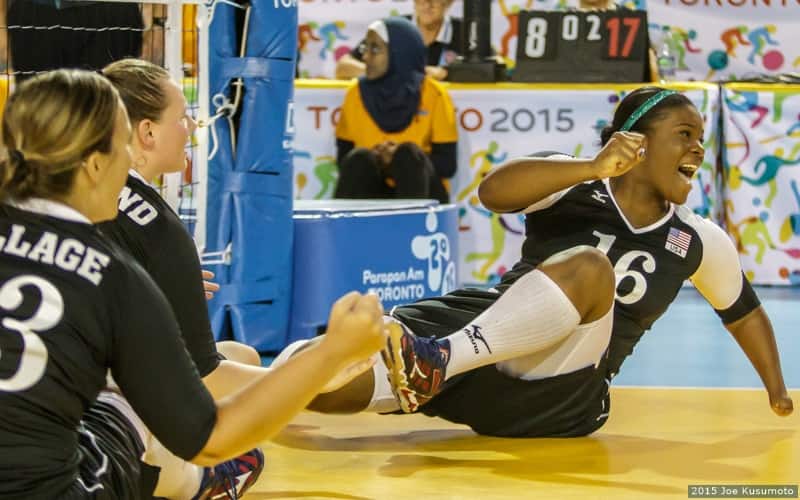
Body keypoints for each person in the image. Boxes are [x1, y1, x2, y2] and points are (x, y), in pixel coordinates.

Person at [277, 86, 793, 438]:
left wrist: (777, 390)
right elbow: (493, 192)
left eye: (701, 138)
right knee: (323, 374)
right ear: (636, 140)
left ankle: (435, 360)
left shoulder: (698, 238)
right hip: (490, 360)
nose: (699, 148)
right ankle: (240, 382)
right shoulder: (573, 179)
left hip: (564, 394)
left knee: (593, 269)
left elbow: (744, 313)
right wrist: (591, 166)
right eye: (685, 133)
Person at [0, 69, 386, 499]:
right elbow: (209, 436)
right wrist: (329, 356)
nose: (127, 163)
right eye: (120, 147)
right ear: (94, 164)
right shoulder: (119, 274)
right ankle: (200, 484)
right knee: (129, 405)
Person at [98, 58, 264, 497]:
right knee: (246, 447)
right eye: (182, 116)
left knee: (243, 355)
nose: (191, 127)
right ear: (147, 132)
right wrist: (317, 374)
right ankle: (179, 483)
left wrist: (158, 295)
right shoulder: (160, 229)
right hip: (99, 420)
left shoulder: (74, 183)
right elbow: (203, 375)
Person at [333, 17, 458, 204]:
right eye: (365, 48)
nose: (366, 57)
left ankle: (414, 231)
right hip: (372, 190)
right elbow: (344, 160)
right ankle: (346, 232)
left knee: (408, 156)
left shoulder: (433, 94)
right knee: (360, 159)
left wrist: (396, 159)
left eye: (375, 49)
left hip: (421, 191)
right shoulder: (355, 93)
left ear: (400, 53)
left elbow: (447, 165)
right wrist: (378, 158)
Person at [6, 0, 143, 83]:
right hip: (37, 12)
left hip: (112, 11)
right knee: (39, 110)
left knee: (107, 107)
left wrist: (158, 20)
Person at [335, 0, 460, 81]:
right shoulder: (391, 28)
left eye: (435, 0)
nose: (427, 5)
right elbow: (343, 66)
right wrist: (385, 73)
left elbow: (478, 73)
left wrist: (446, 73)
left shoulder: (465, 32)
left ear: (448, 3)